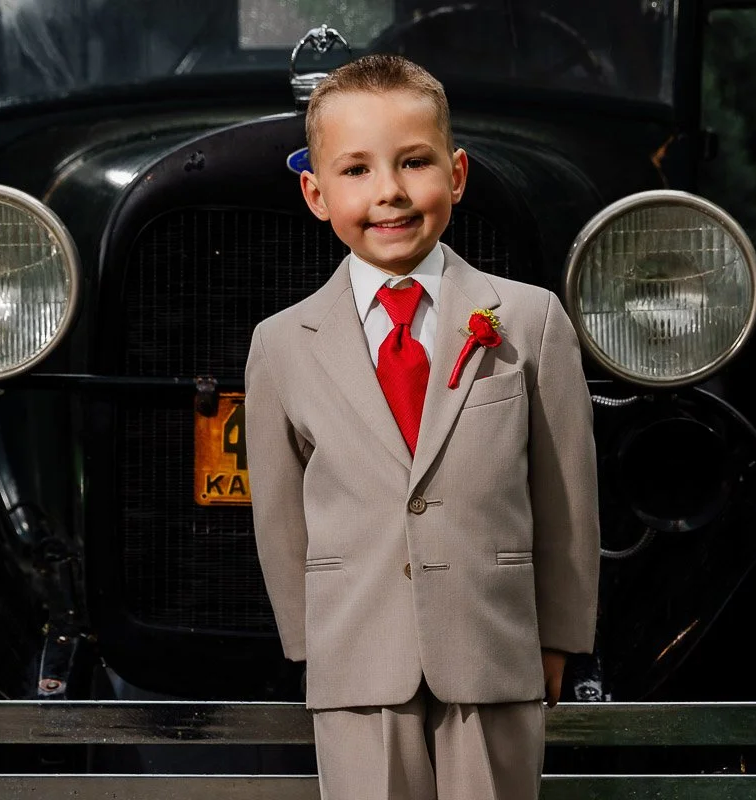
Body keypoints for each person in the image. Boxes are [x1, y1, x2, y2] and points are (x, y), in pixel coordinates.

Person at [244, 54, 599, 800]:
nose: (391, 194)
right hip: (357, 656)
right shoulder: (281, 343)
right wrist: (313, 645)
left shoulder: (527, 319)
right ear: (315, 192)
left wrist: (560, 636)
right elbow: (279, 516)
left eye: (413, 163)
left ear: (457, 173)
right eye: (357, 171)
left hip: (493, 645)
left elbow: (565, 490)